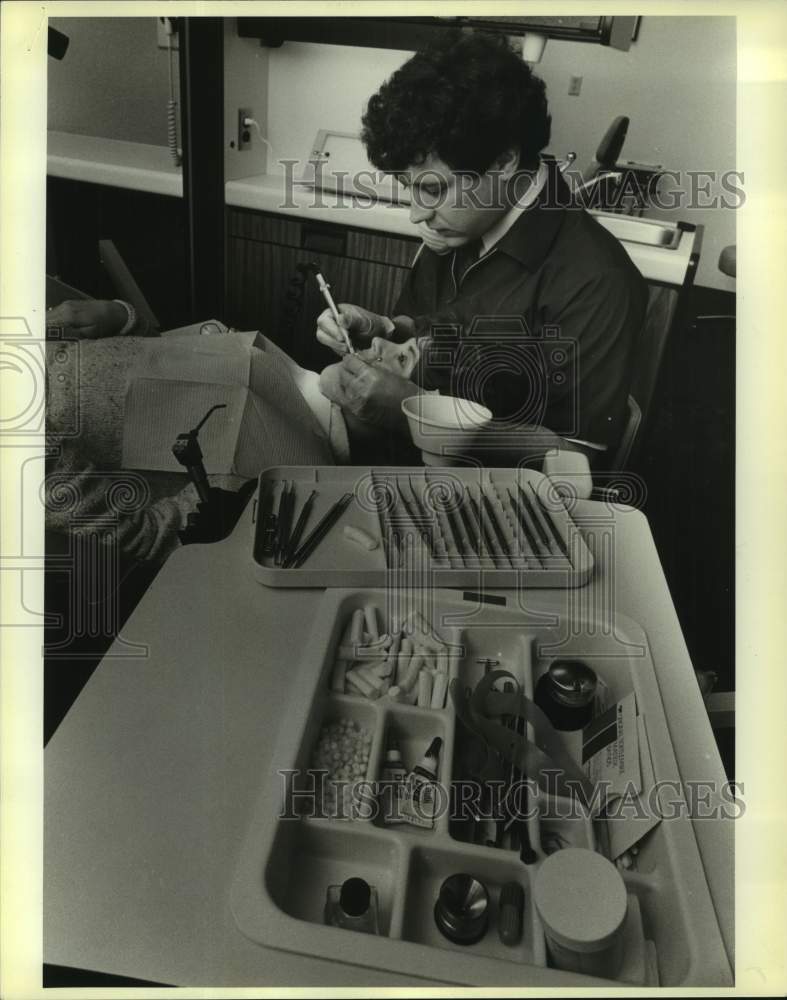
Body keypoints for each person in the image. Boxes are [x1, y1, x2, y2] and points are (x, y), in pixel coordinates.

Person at [316, 30, 649, 466]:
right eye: (408, 188)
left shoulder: (597, 280)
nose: (417, 215)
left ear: (504, 161)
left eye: (432, 189)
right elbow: (433, 330)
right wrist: (385, 328)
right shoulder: (458, 225)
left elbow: (576, 458)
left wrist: (416, 414)